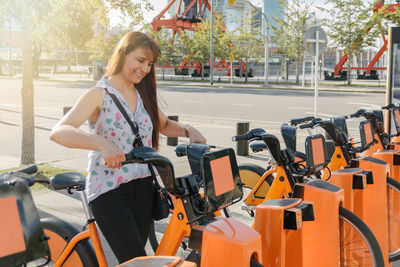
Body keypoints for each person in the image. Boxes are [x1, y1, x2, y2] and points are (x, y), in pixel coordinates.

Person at [50, 31, 206, 263]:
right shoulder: (99, 94)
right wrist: (101, 143)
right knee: (136, 260)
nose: (144, 69)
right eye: (140, 60)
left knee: (134, 260)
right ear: (123, 54)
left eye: (150, 64)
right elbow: (59, 132)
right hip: (109, 189)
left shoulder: (142, 93)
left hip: (143, 186)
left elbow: (162, 124)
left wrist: (187, 130)